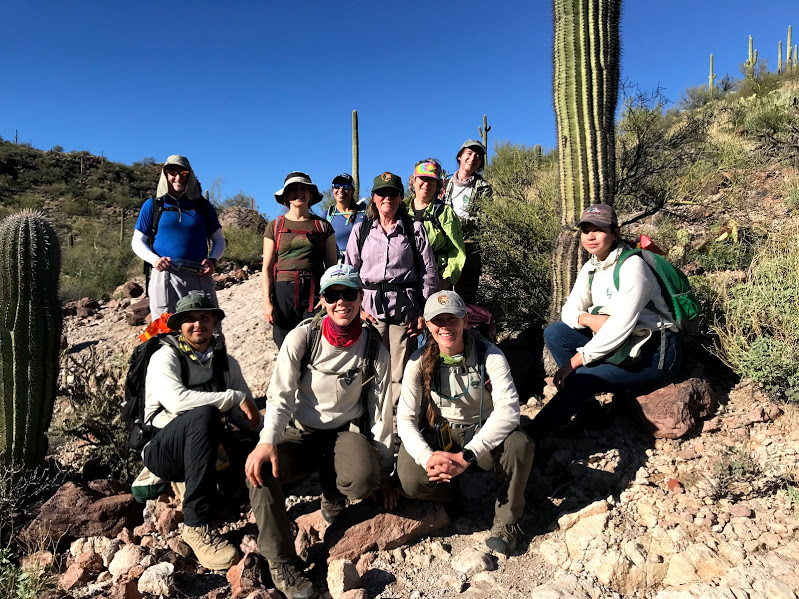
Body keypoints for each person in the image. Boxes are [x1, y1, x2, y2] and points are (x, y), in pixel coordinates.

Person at [245, 264, 396, 599]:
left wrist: (384, 470)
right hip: (301, 432)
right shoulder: (302, 337)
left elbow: (382, 414)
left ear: (361, 298)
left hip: (343, 432)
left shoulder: (374, 349)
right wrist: (267, 440)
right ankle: (281, 561)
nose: (341, 302)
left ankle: (333, 493)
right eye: (332, 295)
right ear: (323, 302)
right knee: (259, 471)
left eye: (349, 294)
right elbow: (280, 394)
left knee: (365, 476)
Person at [525, 204, 683, 439]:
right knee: (555, 333)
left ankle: (530, 437)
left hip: (655, 351)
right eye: (585, 230)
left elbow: (620, 327)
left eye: (598, 229)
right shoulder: (591, 267)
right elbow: (568, 310)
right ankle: (589, 410)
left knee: (580, 379)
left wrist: (576, 362)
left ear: (614, 232)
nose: (590, 236)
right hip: (625, 344)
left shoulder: (633, 266)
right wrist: (588, 319)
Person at [397, 290, 534, 556]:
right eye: (438, 321)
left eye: (452, 319)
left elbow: (508, 412)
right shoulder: (418, 362)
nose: (445, 327)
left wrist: (467, 456)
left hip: (481, 431)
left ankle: (507, 523)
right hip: (443, 432)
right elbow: (405, 418)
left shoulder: (490, 356)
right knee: (410, 479)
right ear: (427, 325)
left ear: (465, 320)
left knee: (519, 444)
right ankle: (451, 497)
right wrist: (426, 458)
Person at [140, 292, 260, 571]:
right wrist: (231, 398)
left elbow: (247, 415)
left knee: (258, 452)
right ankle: (196, 525)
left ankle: (229, 494)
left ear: (215, 322)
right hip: (164, 451)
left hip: (208, 447)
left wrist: (267, 442)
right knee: (203, 414)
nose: (198, 325)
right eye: (189, 320)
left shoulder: (224, 362)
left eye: (205, 317)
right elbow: (177, 402)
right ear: (178, 326)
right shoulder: (165, 358)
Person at [345, 172, 438, 405]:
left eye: (393, 193)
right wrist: (356, 310)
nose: (387, 197)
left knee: (399, 373)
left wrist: (423, 312)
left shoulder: (414, 229)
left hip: (404, 312)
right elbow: (349, 273)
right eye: (381, 193)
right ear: (373, 198)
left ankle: (396, 427)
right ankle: (370, 424)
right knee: (368, 369)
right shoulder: (361, 231)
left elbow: (429, 273)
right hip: (369, 313)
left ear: (400, 197)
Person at [132, 155, 225, 321]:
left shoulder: (203, 206)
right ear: (165, 175)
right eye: (172, 172)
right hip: (165, 274)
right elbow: (137, 242)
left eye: (183, 172)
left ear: (189, 175)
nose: (178, 177)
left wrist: (213, 260)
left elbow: (219, 239)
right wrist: (155, 260)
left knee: (208, 326)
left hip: (200, 275)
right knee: (164, 328)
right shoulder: (153, 205)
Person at [262, 171, 338, 348]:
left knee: (313, 344)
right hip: (282, 294)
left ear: (311, 194)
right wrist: (267, 302)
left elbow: (332, 267)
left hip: (314, 294)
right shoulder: (274, 226)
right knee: (285, 347)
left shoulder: (323, 226)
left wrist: (328, 295)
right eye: (293, 189)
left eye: (303, 188)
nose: (299, 193)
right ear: (286, 196)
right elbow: (267, 267)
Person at [441, 140, 493, 305]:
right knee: (443, 293)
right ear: (460, 156)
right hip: (444, 245)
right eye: (469, 153)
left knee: (466, 297)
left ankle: (466, 330)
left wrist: (453, 222)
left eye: (478, 156)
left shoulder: (484, 187)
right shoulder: (443, 184)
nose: (473, 157)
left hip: (469, 245)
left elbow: (483, 218)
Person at [405, 159, 466, 291]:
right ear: (414, 181)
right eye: (422, 178)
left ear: (438, 185)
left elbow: (456, 251)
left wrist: (446, 281)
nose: (426, 184)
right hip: (404, 282)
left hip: (436, 283)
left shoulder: (445, 213)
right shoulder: (401, 210)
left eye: (431, 180)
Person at [325, 173, 367, 261]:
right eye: (337, 186)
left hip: (363, 263)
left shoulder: (365, 212)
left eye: (346, 186)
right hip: (337, 267)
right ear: (332, 189)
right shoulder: (327, 215)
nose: (341, 190)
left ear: (353, 191)